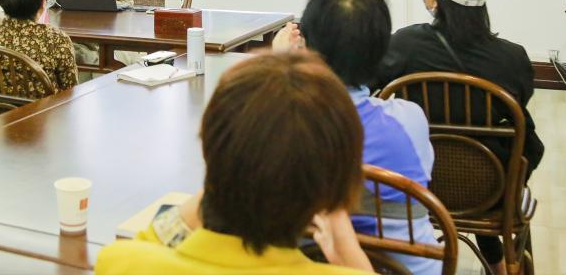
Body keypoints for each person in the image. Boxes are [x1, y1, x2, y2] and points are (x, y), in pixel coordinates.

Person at [96, 51, 373, 274]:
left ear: (208, 148)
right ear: (334, 188)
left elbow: (147, 243)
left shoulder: (119, 263)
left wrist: (222, 176)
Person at [373, 0, 544, 275]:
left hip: (419, 183)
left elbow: (370, 85)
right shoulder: (513, 58)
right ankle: (500, 265)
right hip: (491, 189)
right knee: (484, 150)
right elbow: (521, 106)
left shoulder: (404, 46)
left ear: (434, 2)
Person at [274, 0, 438, 275]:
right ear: (380, 50)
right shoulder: (408, 119)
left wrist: (280, 65)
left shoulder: (278, 121)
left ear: (307, 45)